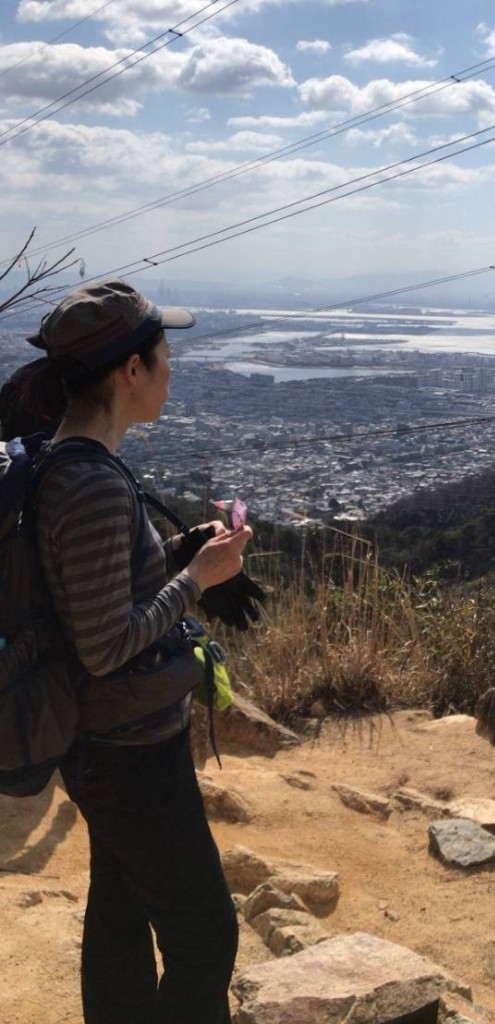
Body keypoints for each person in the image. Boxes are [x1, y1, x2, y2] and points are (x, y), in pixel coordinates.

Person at [1, 279, 250, 1023]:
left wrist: (180, 551)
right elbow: (107, 644)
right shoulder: (91, 483)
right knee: (206, 938)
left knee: (118, 919)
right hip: (127, 749)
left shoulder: (70, 462)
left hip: (107, 741)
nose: (173, 367)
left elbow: (94, 589)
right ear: (128, 372)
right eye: (164, 353)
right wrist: (198, 580)